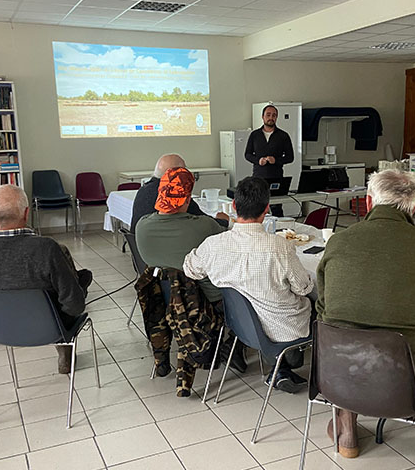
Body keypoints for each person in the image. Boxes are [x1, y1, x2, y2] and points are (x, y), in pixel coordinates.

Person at [316, 170, 415, 470]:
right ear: (413, 207)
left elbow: (324, 310)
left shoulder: (337, 242)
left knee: (343, 330)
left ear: (369, 201)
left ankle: (347, 434)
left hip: (336, 376)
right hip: (407, 386)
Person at [183, 176, 312, 393]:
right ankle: (286, 365)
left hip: (240, 324)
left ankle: (280, 368)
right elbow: (303, 288)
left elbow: (190, 269)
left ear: (233, 206)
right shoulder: (280, 247)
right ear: (267, 209)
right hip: (283, 328)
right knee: (315, 304)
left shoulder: (214, 244)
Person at [0, 185, 92, 375]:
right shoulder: (47, 249)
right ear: (26, 213)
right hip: (51, 328)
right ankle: (64, 348)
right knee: (79, 283)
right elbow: (74, 306)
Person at [136, 167, 246, 374]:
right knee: (248, 292)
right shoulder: (203, 226)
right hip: (205, 302)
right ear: (187, 199)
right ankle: (234, 346)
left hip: (163, 297)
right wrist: (222, 219)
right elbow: (230, 238)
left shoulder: (142, 226)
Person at [131, 154, 226, 231]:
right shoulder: (175, 194)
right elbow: (203, 221)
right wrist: (224, 221)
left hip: (144, 249)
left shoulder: (143, 190)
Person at [245, 105, 294, 217]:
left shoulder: (283, 136)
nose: (271, 117)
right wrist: (258, 160)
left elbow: (290, 157)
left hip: (276, 177)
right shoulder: (255, 135)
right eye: (268, 115)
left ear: (276, 118)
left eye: (274, 115)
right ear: (263, 117)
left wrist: (276, 160)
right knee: (257, 208)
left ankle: (280, 231)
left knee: (276, 208)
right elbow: (247, 154)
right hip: (258, 177)